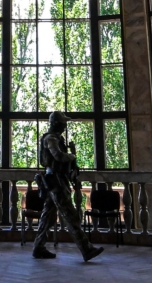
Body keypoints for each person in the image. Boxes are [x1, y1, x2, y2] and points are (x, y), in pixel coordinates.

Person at [33, 111, 104, 262]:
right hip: (55, 183)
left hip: (58, 181)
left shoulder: (57, 138)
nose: (65, 126)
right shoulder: (51, 138)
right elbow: (58, 156)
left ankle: (38, 247)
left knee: (47, 217)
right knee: (71, 216)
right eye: (63, 123)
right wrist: (72, 156)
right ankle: (86, 249)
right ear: (57, 124)